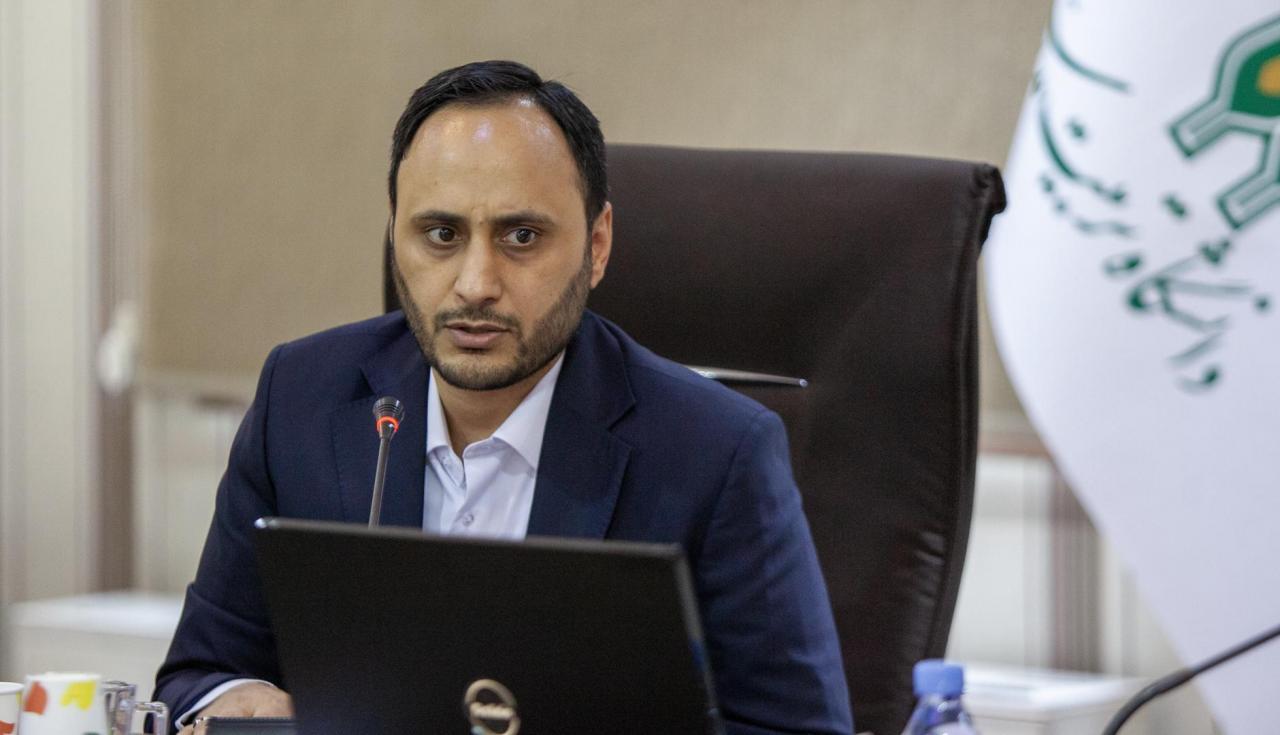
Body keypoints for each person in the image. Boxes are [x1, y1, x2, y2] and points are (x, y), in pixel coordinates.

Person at [155, 60, 853, 735]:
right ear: (395, 236)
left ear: (597, 245)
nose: (475, 284)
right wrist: (238, 701)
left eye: (521, 236)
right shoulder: (302, 399)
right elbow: (199, 672)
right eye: (441, 234)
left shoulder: (716, 454)